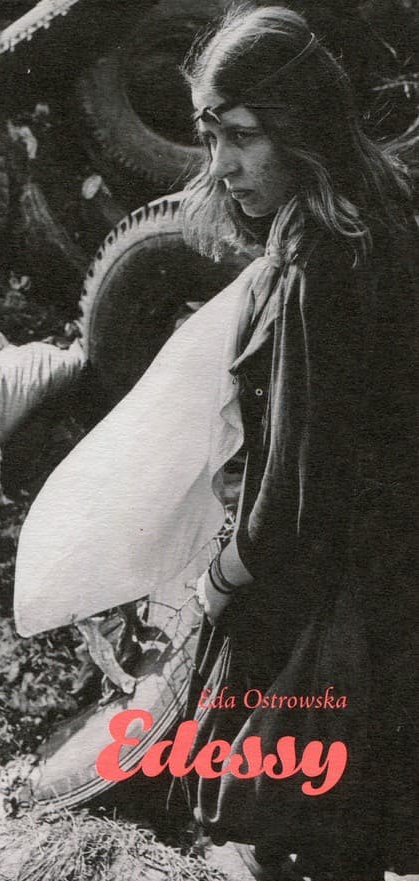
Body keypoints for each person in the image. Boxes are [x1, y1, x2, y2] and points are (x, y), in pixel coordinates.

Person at [173, 5, 417, 881]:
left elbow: (294, 500)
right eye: (211, 137)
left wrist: (217, 582)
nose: (222, 165)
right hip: (391, 588)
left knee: (298, 834)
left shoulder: (319, 260)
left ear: (302, 126)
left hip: (327, 606)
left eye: (243, 136)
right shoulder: (382, 214)